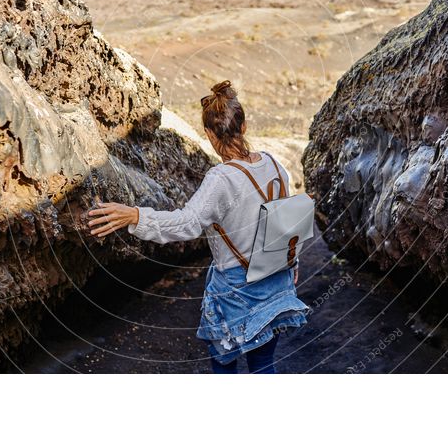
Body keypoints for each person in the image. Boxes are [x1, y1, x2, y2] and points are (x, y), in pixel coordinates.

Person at [86, 79, 309, 373]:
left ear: (208, 134)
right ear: (243, 127)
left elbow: (186, 223)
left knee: (225, 365)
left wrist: (135, 216)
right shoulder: (275, 164)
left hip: (236, 291)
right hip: (277, 278)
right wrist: (291, 264)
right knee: (263, 364)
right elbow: (286, 219)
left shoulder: (221, 178)